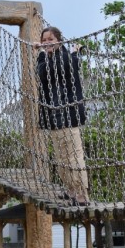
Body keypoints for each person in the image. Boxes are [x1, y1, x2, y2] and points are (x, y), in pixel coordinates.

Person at [34, 26, 89, 206]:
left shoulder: (65, 57)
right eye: (44, 40)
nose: (47, 43)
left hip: (69, 113)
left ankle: (81, 194)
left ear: (59, 40)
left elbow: (54, 69)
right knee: (61, 158)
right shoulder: (46, 59)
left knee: (74, 155)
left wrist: (74, 52)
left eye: (50, 39)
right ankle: (71, 190)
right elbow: (42, 73)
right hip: (54, 116)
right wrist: (42, 53)